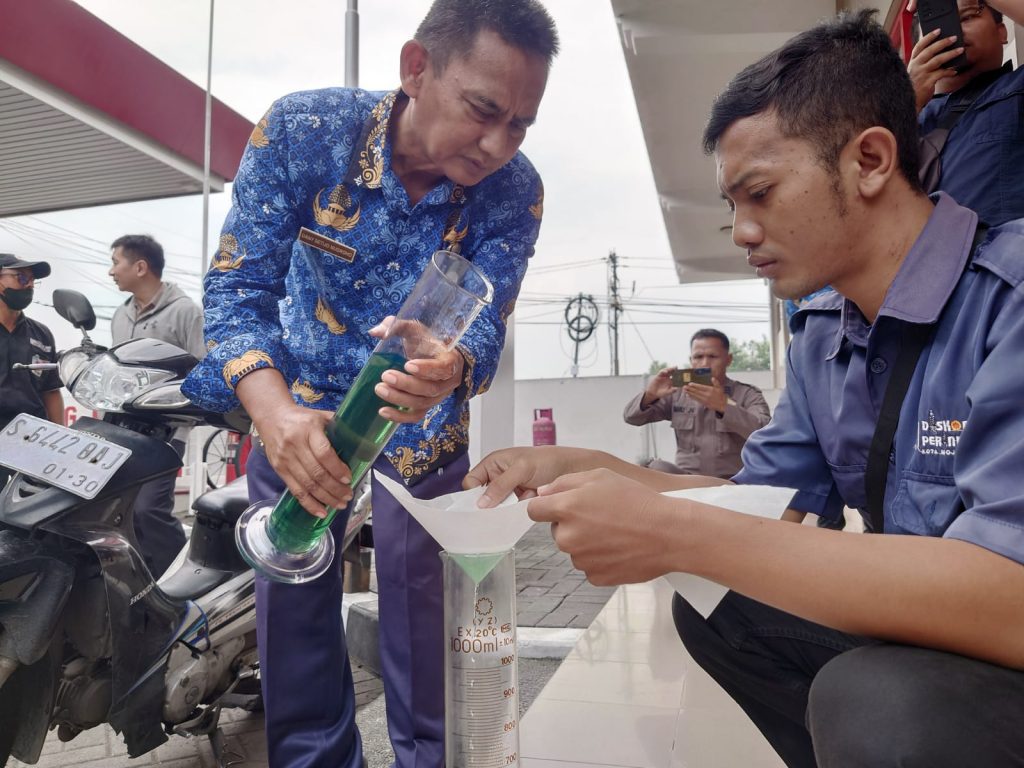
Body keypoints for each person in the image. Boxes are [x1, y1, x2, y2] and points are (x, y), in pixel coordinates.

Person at [466, 11, 1024, 767]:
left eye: (760, 193)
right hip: (938, 639)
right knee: (721, 606)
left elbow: (1011, 597)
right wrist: (580, 467)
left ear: (869, 160)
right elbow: (760, 503)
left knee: (876, 702)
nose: (741, 232)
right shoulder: (823, 333)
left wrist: (673, 532)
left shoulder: (1009, 298)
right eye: (732, 205)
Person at [180, 1, 558, 765]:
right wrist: (273, 414)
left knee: (430, 629)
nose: (498, 144)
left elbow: (487, 317)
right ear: (416, 68)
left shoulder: (514, 191)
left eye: (520, 124)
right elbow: (237, 288)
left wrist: (451, 365)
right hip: (299, 419)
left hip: (422, 428)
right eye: (484, 110)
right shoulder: (304, 132)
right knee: (294, 628)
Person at [108, 234, 205, 578]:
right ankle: (139, 583)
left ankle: (179, 581)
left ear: (140, 267)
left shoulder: (185, 312)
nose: (111, 271)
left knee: (149, 509)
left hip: (166, 431)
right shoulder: (120, 315)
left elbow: (202, 371)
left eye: (115, 262)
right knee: (121, 512)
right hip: (121, 430)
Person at [907, 0, 1024, 224]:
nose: (955, 31)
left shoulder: (1018, 87)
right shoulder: (900, 120)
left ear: (1002, 31)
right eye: (937, 24)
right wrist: (907, 100)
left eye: (968, 17)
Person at [623, 328, 769, 479]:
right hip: (687, 480)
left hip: (732, 481)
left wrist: (723, 406)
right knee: (652, 467)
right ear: (691, 360)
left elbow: (765, 432)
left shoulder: (747, 394)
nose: (705, 363)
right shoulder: (677, 392)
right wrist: (650, 395)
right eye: (698, 357)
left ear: (728, 359)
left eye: (712, 356)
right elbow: (631, 417)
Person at [0, 254, 63, 488]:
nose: (29, 285)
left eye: (33, 280)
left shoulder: (41, 334)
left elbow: (51, 391)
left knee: (31, 506)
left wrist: (60, 442)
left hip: (33, 441)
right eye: (21, 277)